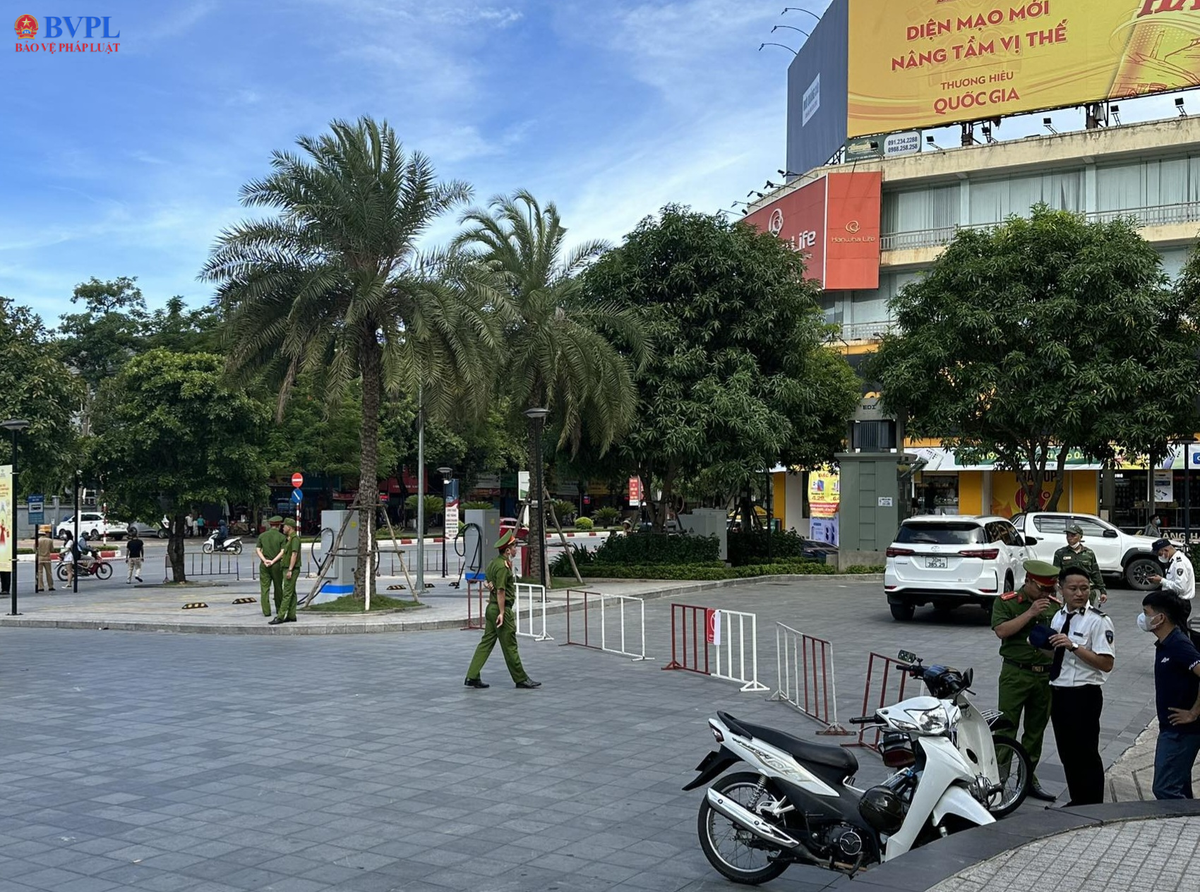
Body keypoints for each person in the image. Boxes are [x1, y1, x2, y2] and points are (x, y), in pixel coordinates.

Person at [991, 559, 1062, 802]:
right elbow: (1001, 631)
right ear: (1028, 581)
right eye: (1041, 589)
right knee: (1006, 727)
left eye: (1049, 590)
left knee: (1035, 731)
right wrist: (1031, 613)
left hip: (1044, 675)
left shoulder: (1054, 606)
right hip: (1015, 673)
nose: (1046, 594)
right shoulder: (1007, 602)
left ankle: (1028, 778)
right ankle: (998, 782)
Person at [1046, 565, 1115, 807]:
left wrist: (1074, 646)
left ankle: (1092, 804)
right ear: (1061, 588)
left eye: (1084, 588)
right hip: (1059, 692)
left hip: (1084, 694)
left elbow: (1106, 663)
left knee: (1086, 753)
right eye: (1073, 588)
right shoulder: (1059, 616)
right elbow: (1056, 656)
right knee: (1067, 752)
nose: (1079, 593)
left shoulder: (1098, 621)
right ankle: (1078, 800)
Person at [1140, 590, 1200, 799]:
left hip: (1181, 731)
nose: (1143, 618)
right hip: (1173, 729)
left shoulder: (1178, 643)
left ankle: (1177, 829)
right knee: (1179, 787)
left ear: (1160, 617)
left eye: (1146, 613)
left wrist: (1193, 713)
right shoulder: (1167, 643)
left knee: (1164, 788)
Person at [464, 530, 540, 690]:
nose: (516, 549)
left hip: (490, 608)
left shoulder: (494, 562)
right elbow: (500, 591)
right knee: (510, 645)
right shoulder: (503, 567)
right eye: (514, 546)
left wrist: (487, 585)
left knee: (486, 643)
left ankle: (472, 676)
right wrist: (502, 613)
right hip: (500, 609)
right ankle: (521, 678)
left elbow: (487, 579)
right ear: (507, 550)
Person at [1148, 538, 1198, 648]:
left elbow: (1180, 588)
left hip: (1180, 603)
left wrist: (1161, 581)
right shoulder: (1174, 561)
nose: (1159, 556)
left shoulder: (1179, 563)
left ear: (1166, 550)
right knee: (1175, 633)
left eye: (1159, 553)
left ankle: (1187, 657)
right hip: (1174, 602)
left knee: (1180, 635)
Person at [1053, 521, 1106, 605]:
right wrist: (1055, 593)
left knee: (1087, 615)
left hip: (1087, 591)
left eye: (1073, 535)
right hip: (1070, 591)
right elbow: (1056, 574)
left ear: (1080, 537)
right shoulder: (1060, 553)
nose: (1069, 538)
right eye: (1068, 535)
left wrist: (1102, 591)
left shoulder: (1089, 553)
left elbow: (1095, 572)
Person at [271, 518, 301, 625]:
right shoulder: (289, 539)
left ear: (290, 527)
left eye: (284, 526)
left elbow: (294, 554)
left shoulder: (295, 539)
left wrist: (290, 570)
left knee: (287, 593)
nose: (283, 528)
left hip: (291, 568)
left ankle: (280, 616)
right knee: (291, 592)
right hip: (287, 568)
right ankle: (291, 615)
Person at [256, 516, 287, 619]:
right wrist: (273, 561)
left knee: (264, 588)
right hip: (276, 565)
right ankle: (279, 608)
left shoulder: (262, 536)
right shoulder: (282, 537)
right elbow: (282, 552)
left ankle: (266, 611)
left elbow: (258, 550)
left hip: (264, 565)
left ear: (270, 525)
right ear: (279, 525)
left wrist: (265, 560)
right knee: (278, 588)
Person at [36, 525, 55, 592]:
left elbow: (34, 550)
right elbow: (52, 550)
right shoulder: (50, 540)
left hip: (40, 558)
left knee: (40, 573)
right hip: (47, 558)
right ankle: (50, 586)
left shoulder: (37, 541)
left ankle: (40, 587)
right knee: (49, 573)